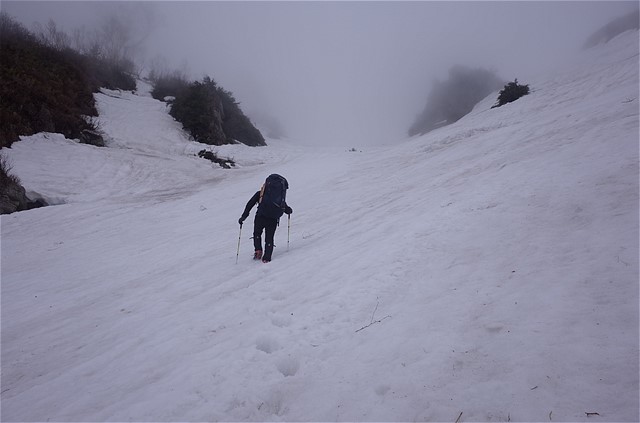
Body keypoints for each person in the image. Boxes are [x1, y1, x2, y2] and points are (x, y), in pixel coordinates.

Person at [238, 176, 292, 263]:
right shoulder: (277, 197)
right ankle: (267, 257)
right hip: (273, 219)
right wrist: (288, 210)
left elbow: (250, 204)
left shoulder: (261, 193)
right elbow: (284, 207)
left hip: (260, 217)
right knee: (269, 237)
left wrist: (243, 217)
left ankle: (258, 250)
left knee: (257, 233)